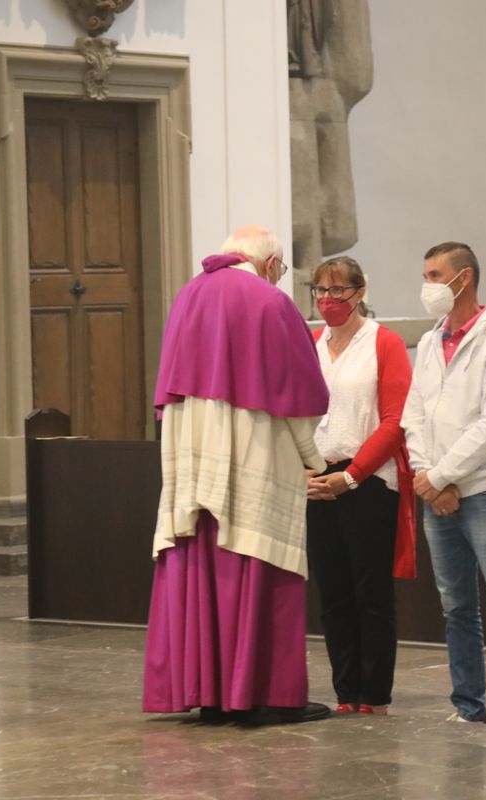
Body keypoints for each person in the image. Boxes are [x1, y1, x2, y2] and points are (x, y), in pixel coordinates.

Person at [142, 224, 331, 724]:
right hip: (252, 450)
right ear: (270, 264)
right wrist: (314, 459)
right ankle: (263, 695)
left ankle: (211, 694)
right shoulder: (270, 302)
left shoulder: (187, 296)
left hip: (191, 450)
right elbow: (298, 396)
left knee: (200, 557)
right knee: (254, 554)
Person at [402, 241, 486, 728]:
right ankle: (468, 705)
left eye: (435, 276)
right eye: (425, 276)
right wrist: (427, 476)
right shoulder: (431, 339)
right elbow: (414, 413)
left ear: (464, 278)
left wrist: (440, 477)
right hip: (436, 489)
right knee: (456, 606)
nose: (428, 286)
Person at [306, 256, 416, 716]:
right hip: (318, 477)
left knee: (370, 593)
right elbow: (298, 413)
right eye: (321, 290)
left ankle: (374, 695)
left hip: (368, 480)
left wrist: (351, 476)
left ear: (359, 292)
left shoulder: (383, 342)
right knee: (333, 594)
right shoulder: (312, 343)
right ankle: (345, 693)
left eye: (338, 290)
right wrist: (304, 467)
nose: (328, 299)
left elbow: (395, 421)